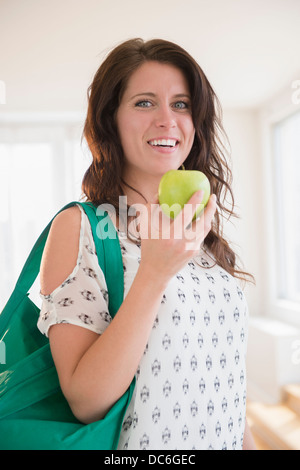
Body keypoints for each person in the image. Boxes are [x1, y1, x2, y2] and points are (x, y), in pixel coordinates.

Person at [38, 38, 256, 450]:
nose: (166, 120)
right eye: (144, 103)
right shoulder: (81, 227)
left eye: (181, 104)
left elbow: (228, 386)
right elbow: (86, 401)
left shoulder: (200, 232)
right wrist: (154, 272)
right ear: (110, 119)